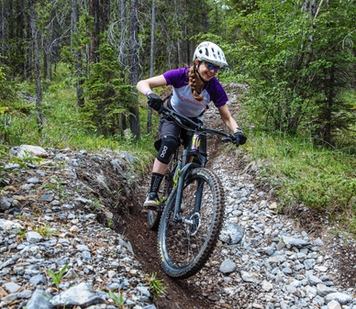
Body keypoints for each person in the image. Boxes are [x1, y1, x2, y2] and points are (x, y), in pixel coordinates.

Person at [136, 41, 247, 209]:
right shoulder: (180, 75)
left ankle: (177, 193)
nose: (212, 71)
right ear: (197, 62)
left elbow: (227, 117)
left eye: (217, 68)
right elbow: (143, 83)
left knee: (197, 157)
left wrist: (237, 130)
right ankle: (152, 193)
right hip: (171, 116)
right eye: (209, 65)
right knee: (169, 143)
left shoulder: (215, 88)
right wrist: (150, 94)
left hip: (194, 123)